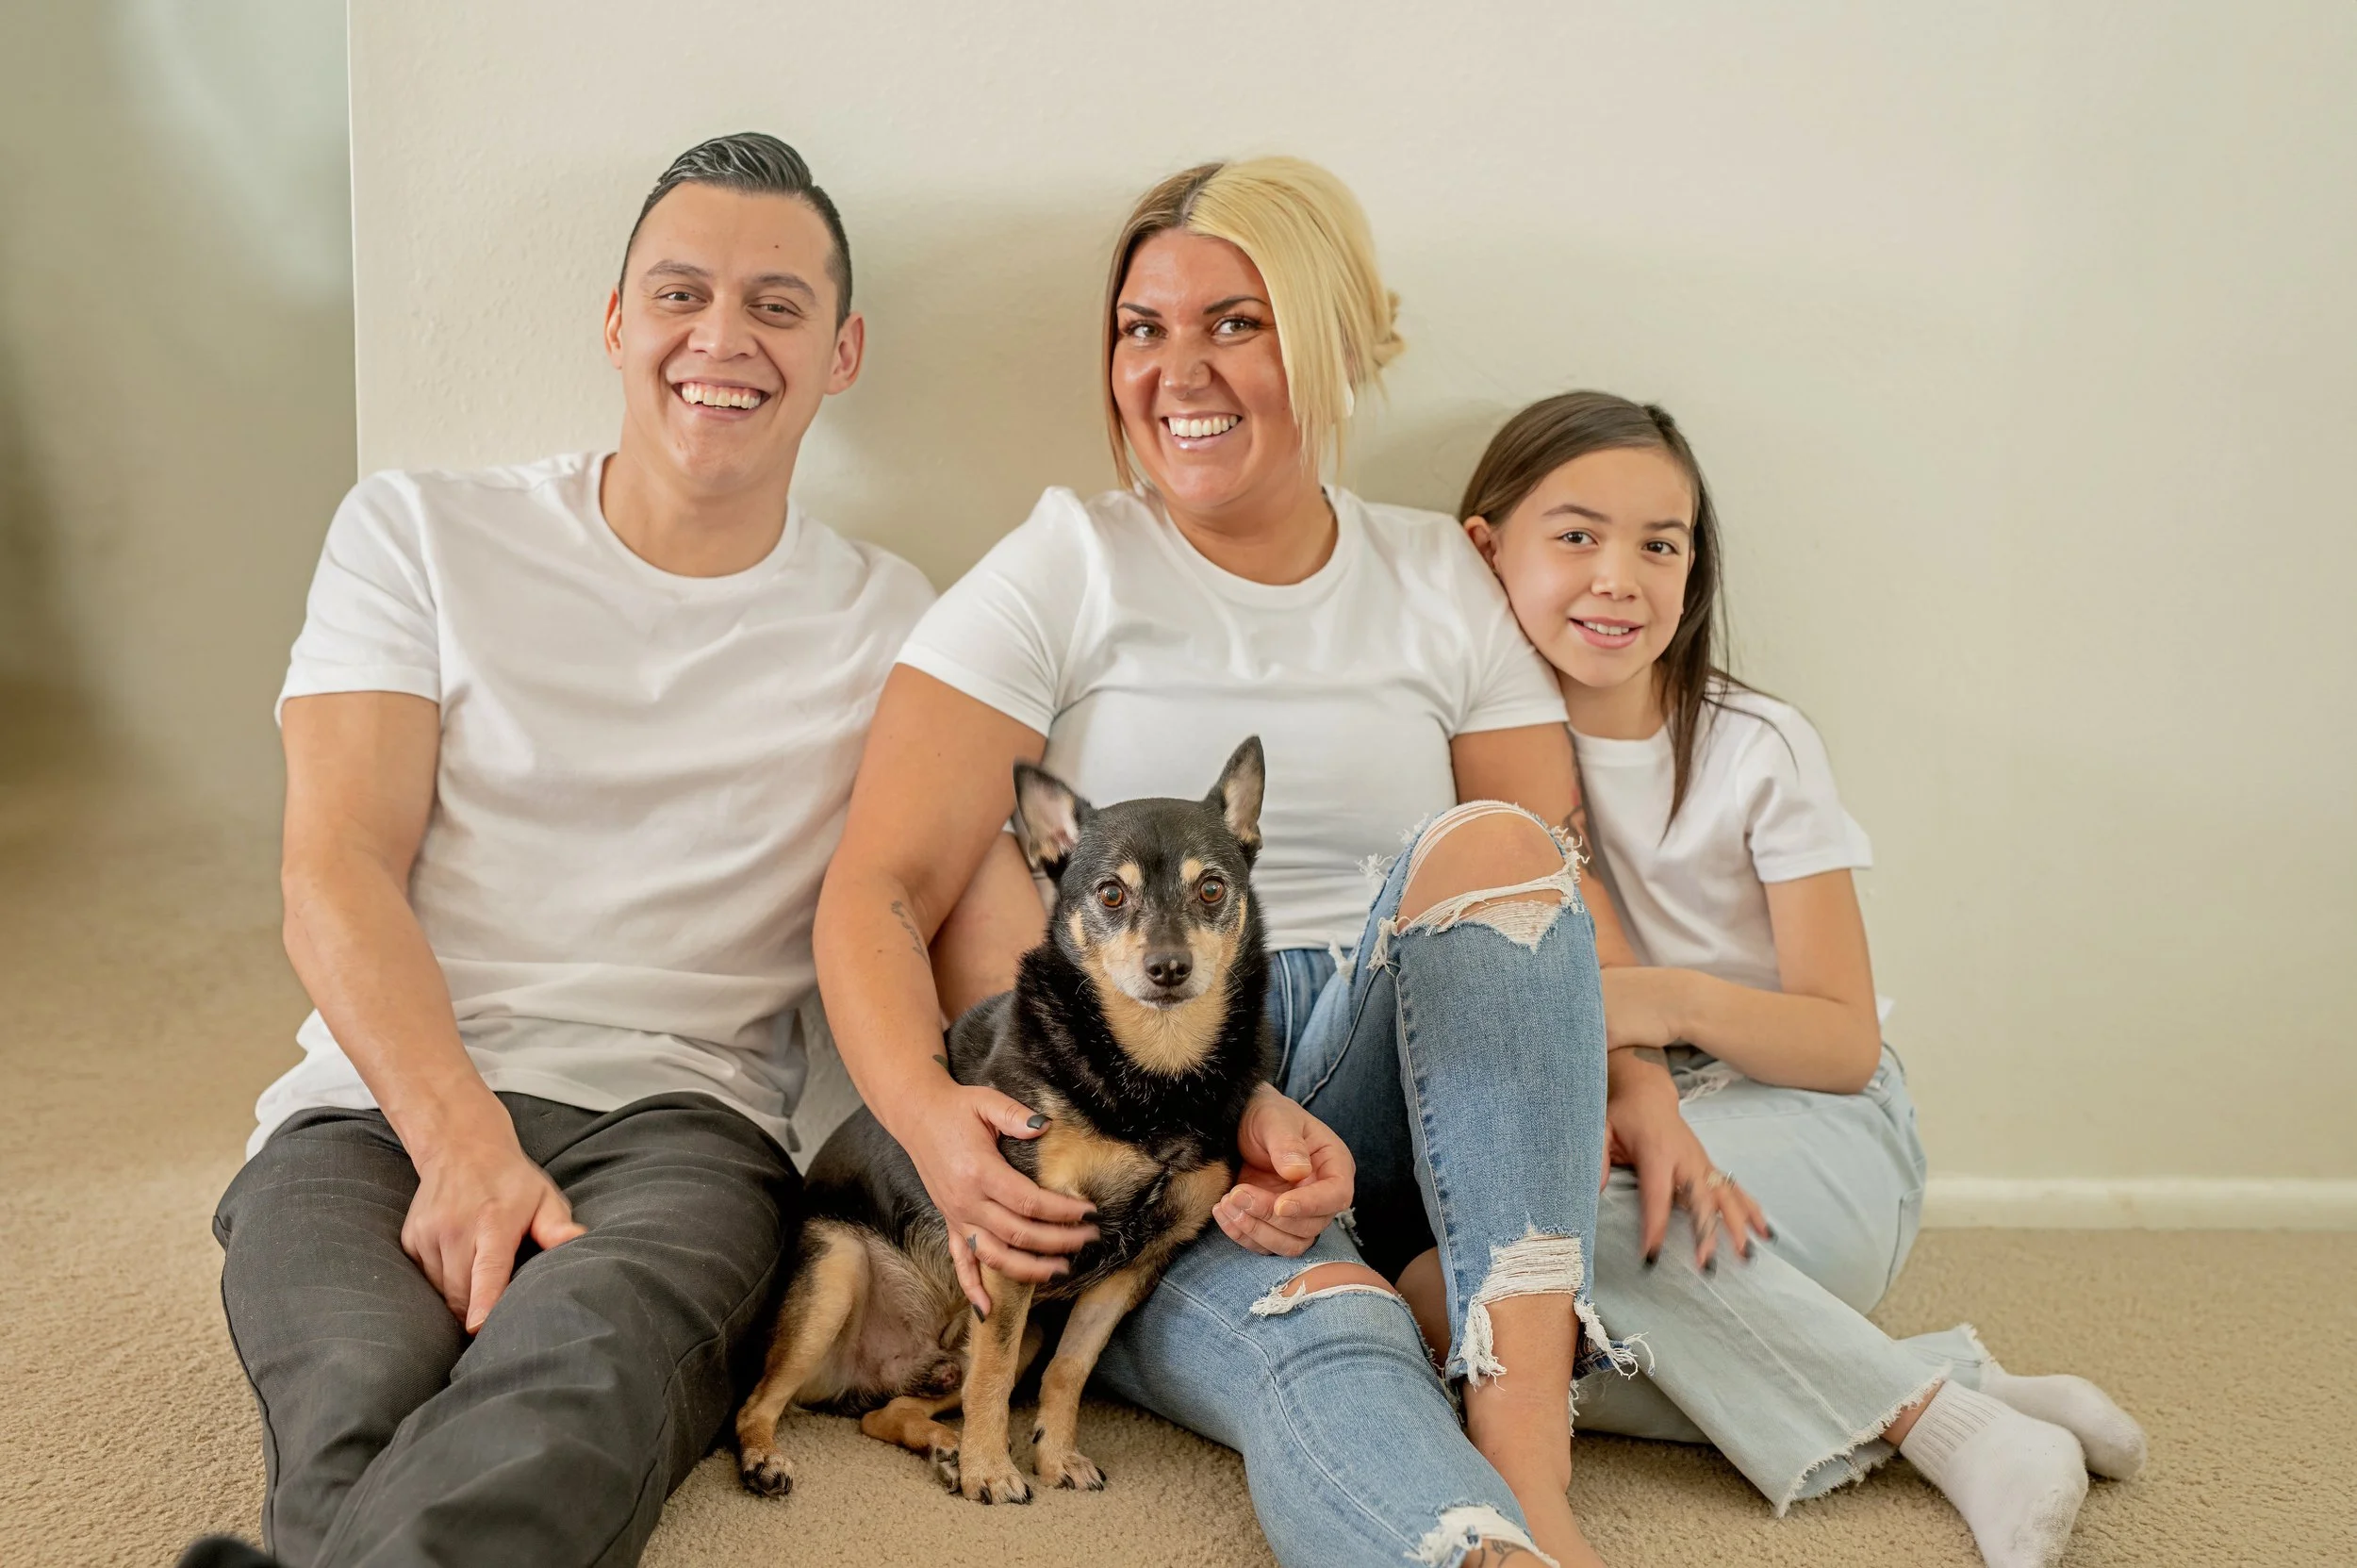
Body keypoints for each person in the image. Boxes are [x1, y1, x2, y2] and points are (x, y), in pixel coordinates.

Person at [815, 156, 1658, 1568]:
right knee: (1329, 1331)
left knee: (1497, 848)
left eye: (1234, 322)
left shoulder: (1441, 577)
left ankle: (1533, 1469)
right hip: (1156, 1140)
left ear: (1325, 337)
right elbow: (880, 886)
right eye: (1142, 327)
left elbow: (1544, 905)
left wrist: (1637, 1081)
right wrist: (934, 1120)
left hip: (1410, 1092)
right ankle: (1483, 1548)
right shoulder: (1063, 564)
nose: (1175, 368)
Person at [179, 133, 956, 1568]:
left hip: (684, 1129)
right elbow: (331, 867)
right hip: (373, 1105)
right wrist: (461, 1143)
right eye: (681, 293)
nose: (722, 337)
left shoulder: (896, 622)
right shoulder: (416, 530)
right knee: (361, 1390)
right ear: (616, 324)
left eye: (776, 305)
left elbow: (932, 898)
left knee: (567, 1394)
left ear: (841, 353)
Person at [1458, 390, 2149, 1568]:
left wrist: (1662, 1001)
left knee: (1549, 1251)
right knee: (1448, 1295)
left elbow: (1840, 1044)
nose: (1619, 577)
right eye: (1575, 536)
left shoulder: (1755, 745)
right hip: (1607, 1116)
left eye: (1659, 545)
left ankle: (1963, 1436)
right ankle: (1948, 1382)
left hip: (1814, 1124)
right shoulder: (1467, 747)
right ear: (1485, 549)